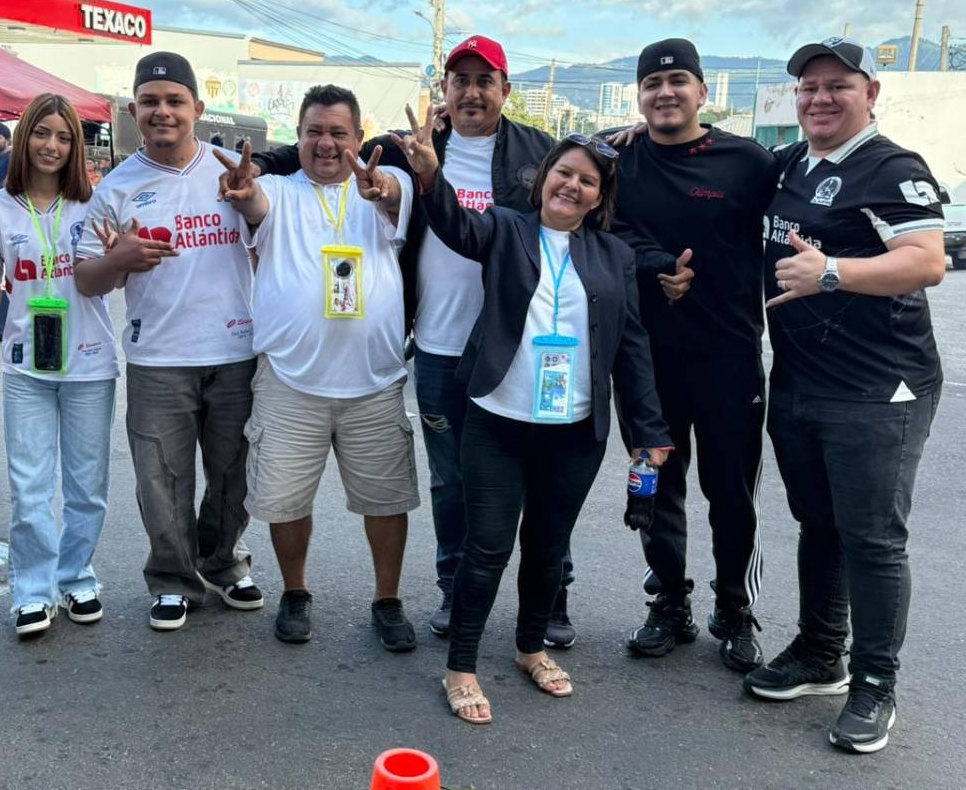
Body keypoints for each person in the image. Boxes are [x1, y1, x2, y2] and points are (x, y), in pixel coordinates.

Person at [251, 36, 576, 645]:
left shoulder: (543, 151)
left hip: (521, 343)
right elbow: (327, 157)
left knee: (539, 476)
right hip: (439, 344)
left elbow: (590, 192)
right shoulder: (400, 149)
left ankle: (551, 595)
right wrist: (261, 168)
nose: (473, 91)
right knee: (451, 481)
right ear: (445, 92)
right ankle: (454, 592)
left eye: (486, 80)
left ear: (506, 90)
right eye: (461, 80)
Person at [395, 109, 671, 724]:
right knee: (487, 548)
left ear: (601, 197)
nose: (572, 186)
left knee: (548, 548)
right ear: (543, 177)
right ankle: (461, 666)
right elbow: (453, 227)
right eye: (563, 173)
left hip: (573, 431)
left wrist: (648, 434)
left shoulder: (613, 256)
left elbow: (631, 347)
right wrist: (431, 180)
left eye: (588, 181)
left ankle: (529, 648)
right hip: (496, 420)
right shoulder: (505, 230)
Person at [742, 38, 945, 754]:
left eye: (838, 86)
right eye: (808, 88)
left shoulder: (892, 167)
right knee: (817, 523)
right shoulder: (790, 166)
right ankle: (821, 652)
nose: (820, 99)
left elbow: (927, 262)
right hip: (800, 379)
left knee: (873, 540)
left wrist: (833, 272)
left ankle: (875, 684)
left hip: (879, 389)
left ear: (871, 93)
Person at [217, 84, 420, 651]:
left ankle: (387, 599)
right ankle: (296, 591)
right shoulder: (278, 190)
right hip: (289, 379)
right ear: (299, 137)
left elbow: (392, 198)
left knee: (385, 500)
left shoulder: (389, 183)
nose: (326, 144)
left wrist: (378, 186)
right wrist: (242, 191)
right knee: (286, 500)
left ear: (359, 137)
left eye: (338, 133)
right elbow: (253, 203)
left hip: (374, 381)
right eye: (314, 132)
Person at [74, 52, 262, 632]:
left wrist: (250, 201)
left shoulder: (231, 173)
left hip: (236, 352)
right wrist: (119, 260)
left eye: (175, 100)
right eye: (151, 101)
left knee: (236, 475)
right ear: (135, 111)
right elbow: (85, 279)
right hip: (157, 358)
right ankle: (173, 579)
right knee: (161, 480)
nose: (163, 111)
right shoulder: (117, 188)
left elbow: (269, 233)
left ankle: (221, 559)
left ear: (197, 109)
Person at [610, 39, 777, 673]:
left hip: (730, 357)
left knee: (731, 494)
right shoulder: (617, 157)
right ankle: (669, 602)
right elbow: (598, 220)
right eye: (652, 84)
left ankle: (734, 609)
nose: (665, 92)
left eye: (679, 80)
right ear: (640, 97)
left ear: (703, 92)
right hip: (646, 363)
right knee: (654, 487)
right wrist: (656, 266)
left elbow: (800, 217)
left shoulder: (749, 161)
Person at [0, 94, 119, 637]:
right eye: (41, 134)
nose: (52, 146)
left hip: (90, 367)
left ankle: (76, 577)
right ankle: (32, 590)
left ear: (76, 146)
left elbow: (114, 275)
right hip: (27, 368)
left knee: (86, 486)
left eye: (64, 137)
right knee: (29, 485)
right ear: (23, 138)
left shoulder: (94, 206)